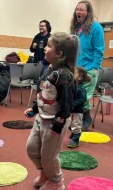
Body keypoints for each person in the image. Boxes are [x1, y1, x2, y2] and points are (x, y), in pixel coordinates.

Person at [24, 32, 78, 190]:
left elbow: (67, 105)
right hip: (41, 118)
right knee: (32, 148)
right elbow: (44, 92)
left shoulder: (65, 76)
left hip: (55, 122)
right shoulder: (49, 68)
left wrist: (58, 125)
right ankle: (44, 172)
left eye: (48, 46)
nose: (45, 48)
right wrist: (34, 108)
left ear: (59, 54)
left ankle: (56, 180)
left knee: (49, 155)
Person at [70, 0, 105, 131]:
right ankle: (78, 119)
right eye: (77, 9)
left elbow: (99, 49)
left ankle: (86, 118)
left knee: (83, 95)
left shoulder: (96, 28)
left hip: (89, 68)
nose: (78, 12)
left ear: (88, 12)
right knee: (75, 94)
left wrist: (95, 68)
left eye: (82, 9)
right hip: (76, 68)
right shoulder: (76, 29)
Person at [68, 66, 90, 148]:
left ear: (80, 77)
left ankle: (75, 140)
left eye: (74, 73)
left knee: (76, 125)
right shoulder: (73, 85)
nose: (72, 74)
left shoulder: (81, 88)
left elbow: (82, 99)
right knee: (69, 124)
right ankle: (74, 134)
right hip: (71, 110)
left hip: (77, 111)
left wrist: (72, 104)